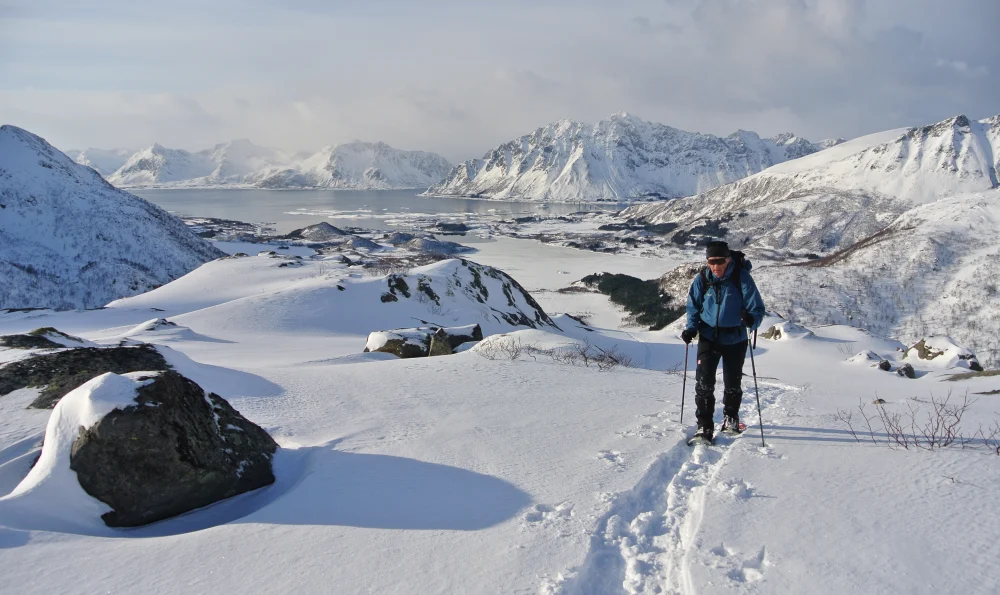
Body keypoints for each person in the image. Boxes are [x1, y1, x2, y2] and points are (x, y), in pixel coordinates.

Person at [681, 240, 765, 442]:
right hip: (709, 336)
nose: (716, 266)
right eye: (712, 262)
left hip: (736, 337)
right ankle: (704, 426)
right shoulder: (702, 279)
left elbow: (757, 308)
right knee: (703, 383)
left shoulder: (741, 278)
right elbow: (693, 307)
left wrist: (752, 320)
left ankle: (731, 418)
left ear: (728, 260)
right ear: (707, 262)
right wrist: (691, 328)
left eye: (720, 261)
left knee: (732, 382)